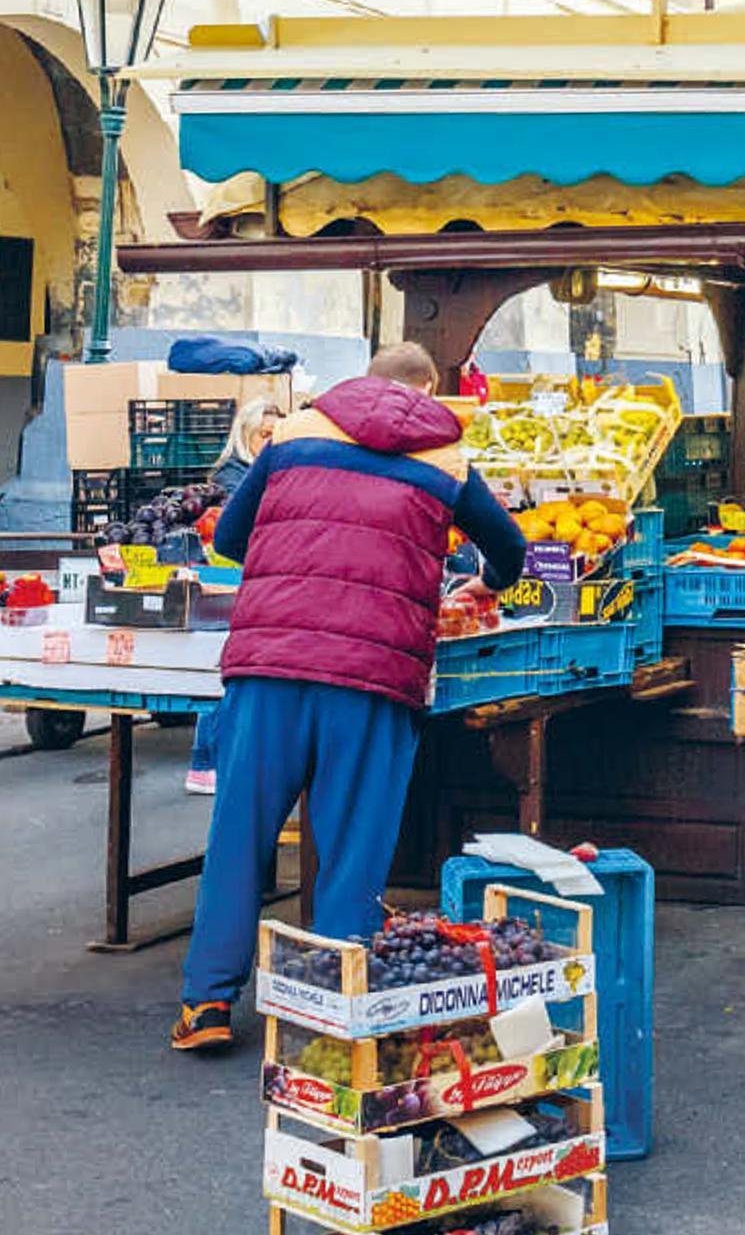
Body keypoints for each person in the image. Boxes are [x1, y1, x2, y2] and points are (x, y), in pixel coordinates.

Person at [171, 342, 525, 1052]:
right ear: (429, 390)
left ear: (365, 381)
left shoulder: (296, 433)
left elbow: (233, 539)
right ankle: (333, 1012)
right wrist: (483, 583)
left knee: (239, 834)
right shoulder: (446, 459)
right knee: (352, 844)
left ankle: (206, 1005)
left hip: (270, 663)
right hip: (373, 674)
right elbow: (510, 551)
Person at [185, 398, 283, 797]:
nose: (271, 443)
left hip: (248, 576)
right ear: (245, 434)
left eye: (278, 436)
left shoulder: (258, 472)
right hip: (229, 576)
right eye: (264, 435)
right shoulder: (234, 477)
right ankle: (204, 761)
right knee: (222, 670)